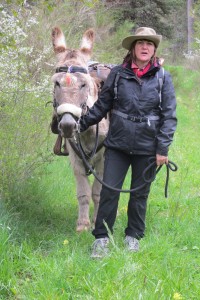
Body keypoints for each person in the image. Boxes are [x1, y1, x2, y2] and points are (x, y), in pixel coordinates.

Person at [79, 27, 177, 258]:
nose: (145, 47)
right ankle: (101, 239)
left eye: (149, 44)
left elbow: (169, 116)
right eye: (140, 43)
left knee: (139, 195)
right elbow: (102, 106)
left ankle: (133, 236)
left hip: (148, 146)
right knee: (109, 192)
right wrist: (80, 124)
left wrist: (162, 149)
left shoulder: (163, 77)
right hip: (118, 144)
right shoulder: (118, 74)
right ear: (133, 48)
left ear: (154, 50)